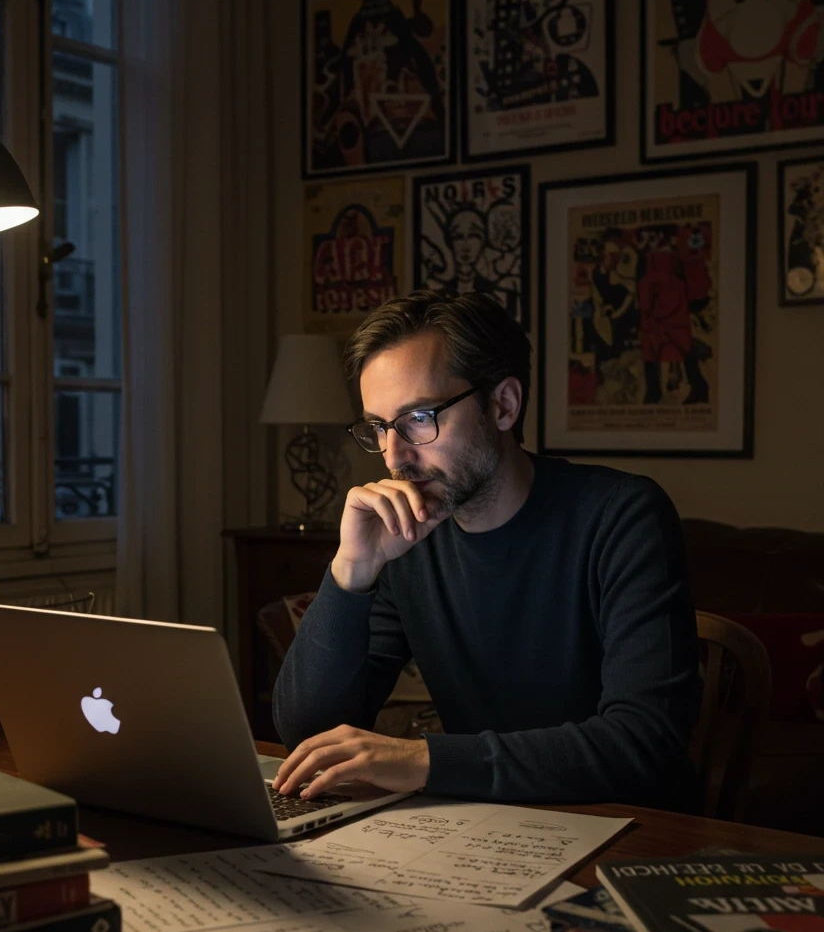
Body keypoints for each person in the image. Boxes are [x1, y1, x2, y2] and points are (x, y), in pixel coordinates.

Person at [271, 291, 703, 812]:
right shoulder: (408, 538)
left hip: (630, 829)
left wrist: (423, 760)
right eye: (381, 427)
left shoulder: (622, 516)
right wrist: (352, 570)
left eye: (420, 418)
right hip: (482, 825)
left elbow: (645, 744)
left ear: (503, 405)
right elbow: (306, 734)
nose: (395, 456)